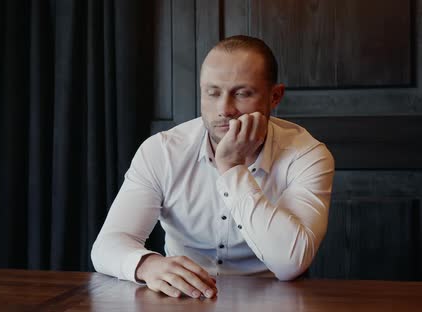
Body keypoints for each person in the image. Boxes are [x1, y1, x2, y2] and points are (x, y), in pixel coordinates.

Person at [91, 35, 335, 299]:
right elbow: (107, 246)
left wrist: (232, 168)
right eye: (212, 92)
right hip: (181, 301)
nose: (225, 109)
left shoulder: (307, 155)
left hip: (273, 300)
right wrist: (147, 265)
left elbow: (290, 264)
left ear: (275, 96)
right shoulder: (161, 151)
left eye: (242, 93)